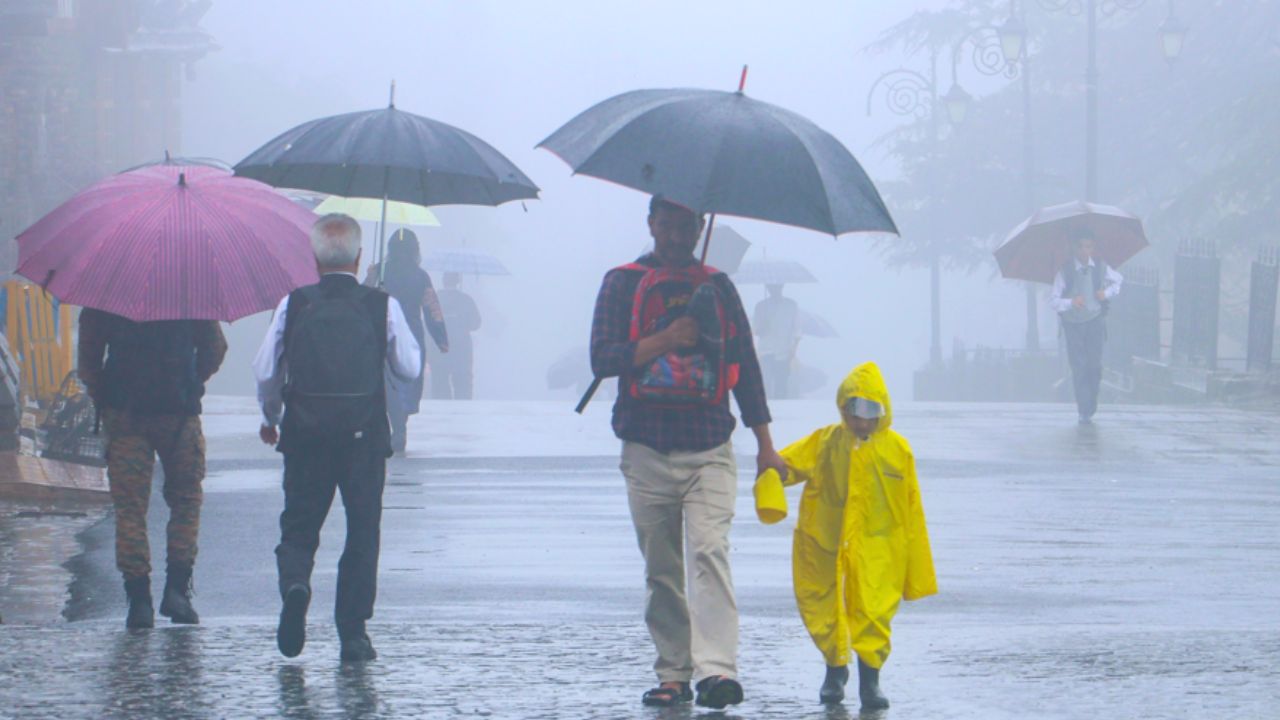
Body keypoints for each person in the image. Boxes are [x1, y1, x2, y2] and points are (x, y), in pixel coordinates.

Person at [589, 195, 785, 710]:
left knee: (709, 553)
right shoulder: (622, 282)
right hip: (646, 446)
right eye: (669, 224)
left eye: (688, 226)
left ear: (701, 228)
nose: (678, 236)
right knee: (662, 569)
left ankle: (717, 670)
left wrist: (766, 445)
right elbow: (603, 358)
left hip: (709, 446)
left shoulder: (718, 286)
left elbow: (745, 364)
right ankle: (673, 671)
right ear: (651, 223)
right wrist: (668, 338)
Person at [253, 213, 421, 662]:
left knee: (300, 524)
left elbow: (266, 370)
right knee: (362, 529)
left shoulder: (295, 303)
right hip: (363, 436)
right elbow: (409, 367)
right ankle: (352, 631)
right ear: (360, 256)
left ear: (314, 258)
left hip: (305, 432)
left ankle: (295, 584)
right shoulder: (380, 304)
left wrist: (271, 417)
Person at [777, 361, 936, 709]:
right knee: (826, 605)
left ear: (882, 411)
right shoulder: (827, 442)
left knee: (874, 612)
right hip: (828, 541)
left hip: (881, 546)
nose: (861, 420)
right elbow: (787, 465)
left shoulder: (898, 450)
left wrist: (917, 567)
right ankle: (835, 671)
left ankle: (870, 681)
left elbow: (913, 509)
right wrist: (772, 475)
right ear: (843, 408)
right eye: (854, 410)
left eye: (869, 411)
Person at [78, 306, 227, 629]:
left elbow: (88, 357)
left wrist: (102, 391)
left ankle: (139, 602)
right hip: (179, 416)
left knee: (130, 509)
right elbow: (215, 349)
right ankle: (177, 591)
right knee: (186, 501)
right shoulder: (189, 290)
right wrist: (190, 380)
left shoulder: (107, 292)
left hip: (125, 416)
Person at [364, 228, 448, 453]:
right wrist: (441, 338)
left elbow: (361, 298)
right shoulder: (420, 276)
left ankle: (395, 424)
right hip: (411, 333)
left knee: (386, 380)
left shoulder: (379, 272)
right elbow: (432, 309)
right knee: (407, 381)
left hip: (383, 332)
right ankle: (400, 426)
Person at [1050, 228, 1123, 424]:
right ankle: (1084, 408)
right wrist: (1071, 302)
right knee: (1079, 365)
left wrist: (1105, 294)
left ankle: (1091, 401)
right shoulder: (1065, 271)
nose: (1084, 251)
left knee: (1095, 365)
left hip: (1094, 321)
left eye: (1088, 246)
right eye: (1080, 246)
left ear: (1093, 248)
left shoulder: (1100, 268)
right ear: (1074, 248)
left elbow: (1118, 281)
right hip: (1073, 325)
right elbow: (1054, 300)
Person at [431, 272, 482, 400]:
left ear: (443, 281)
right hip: (462, 347)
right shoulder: (466, 300)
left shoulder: (435, 299)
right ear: (458, 281)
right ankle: (463, 414)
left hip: (439, 346)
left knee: (440, 381)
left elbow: (427, 322)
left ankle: (442, 413)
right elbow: (476, 323)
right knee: (463, 382)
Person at [753, 283, 801, 399]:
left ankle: (781, 407)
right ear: (768, 288)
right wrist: (763, 326)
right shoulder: (761, 306)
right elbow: (757, 330)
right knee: (765, 381)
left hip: (784, 350)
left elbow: (797, 330)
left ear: (782, 287)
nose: (774, 289)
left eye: (777, 286)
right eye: (771, 287)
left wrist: (794, 349)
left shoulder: (791, 305)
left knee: (781, 382)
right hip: (766, 350)